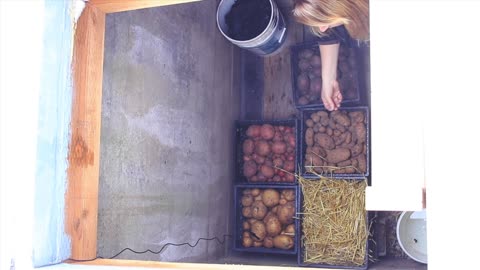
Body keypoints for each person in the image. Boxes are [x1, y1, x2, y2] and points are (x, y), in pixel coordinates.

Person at [292, 0, 369, 111]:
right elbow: (329, 34)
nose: (322, 28)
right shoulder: (342, 11)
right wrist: (328, 82)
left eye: (323, 20)